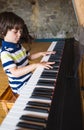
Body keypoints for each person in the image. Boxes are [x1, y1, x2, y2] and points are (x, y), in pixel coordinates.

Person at [0, 11, 55, 95]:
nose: (19, 35)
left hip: (29, 78)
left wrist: (41, 53)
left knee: (51, 83)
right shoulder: (5, 53)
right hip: (20, 86)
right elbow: (16, 73)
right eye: (15, 32)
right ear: (3, 32)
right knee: (47, 93)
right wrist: (36, 65)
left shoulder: (18, 45)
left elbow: (29, 57)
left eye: (20, 31)